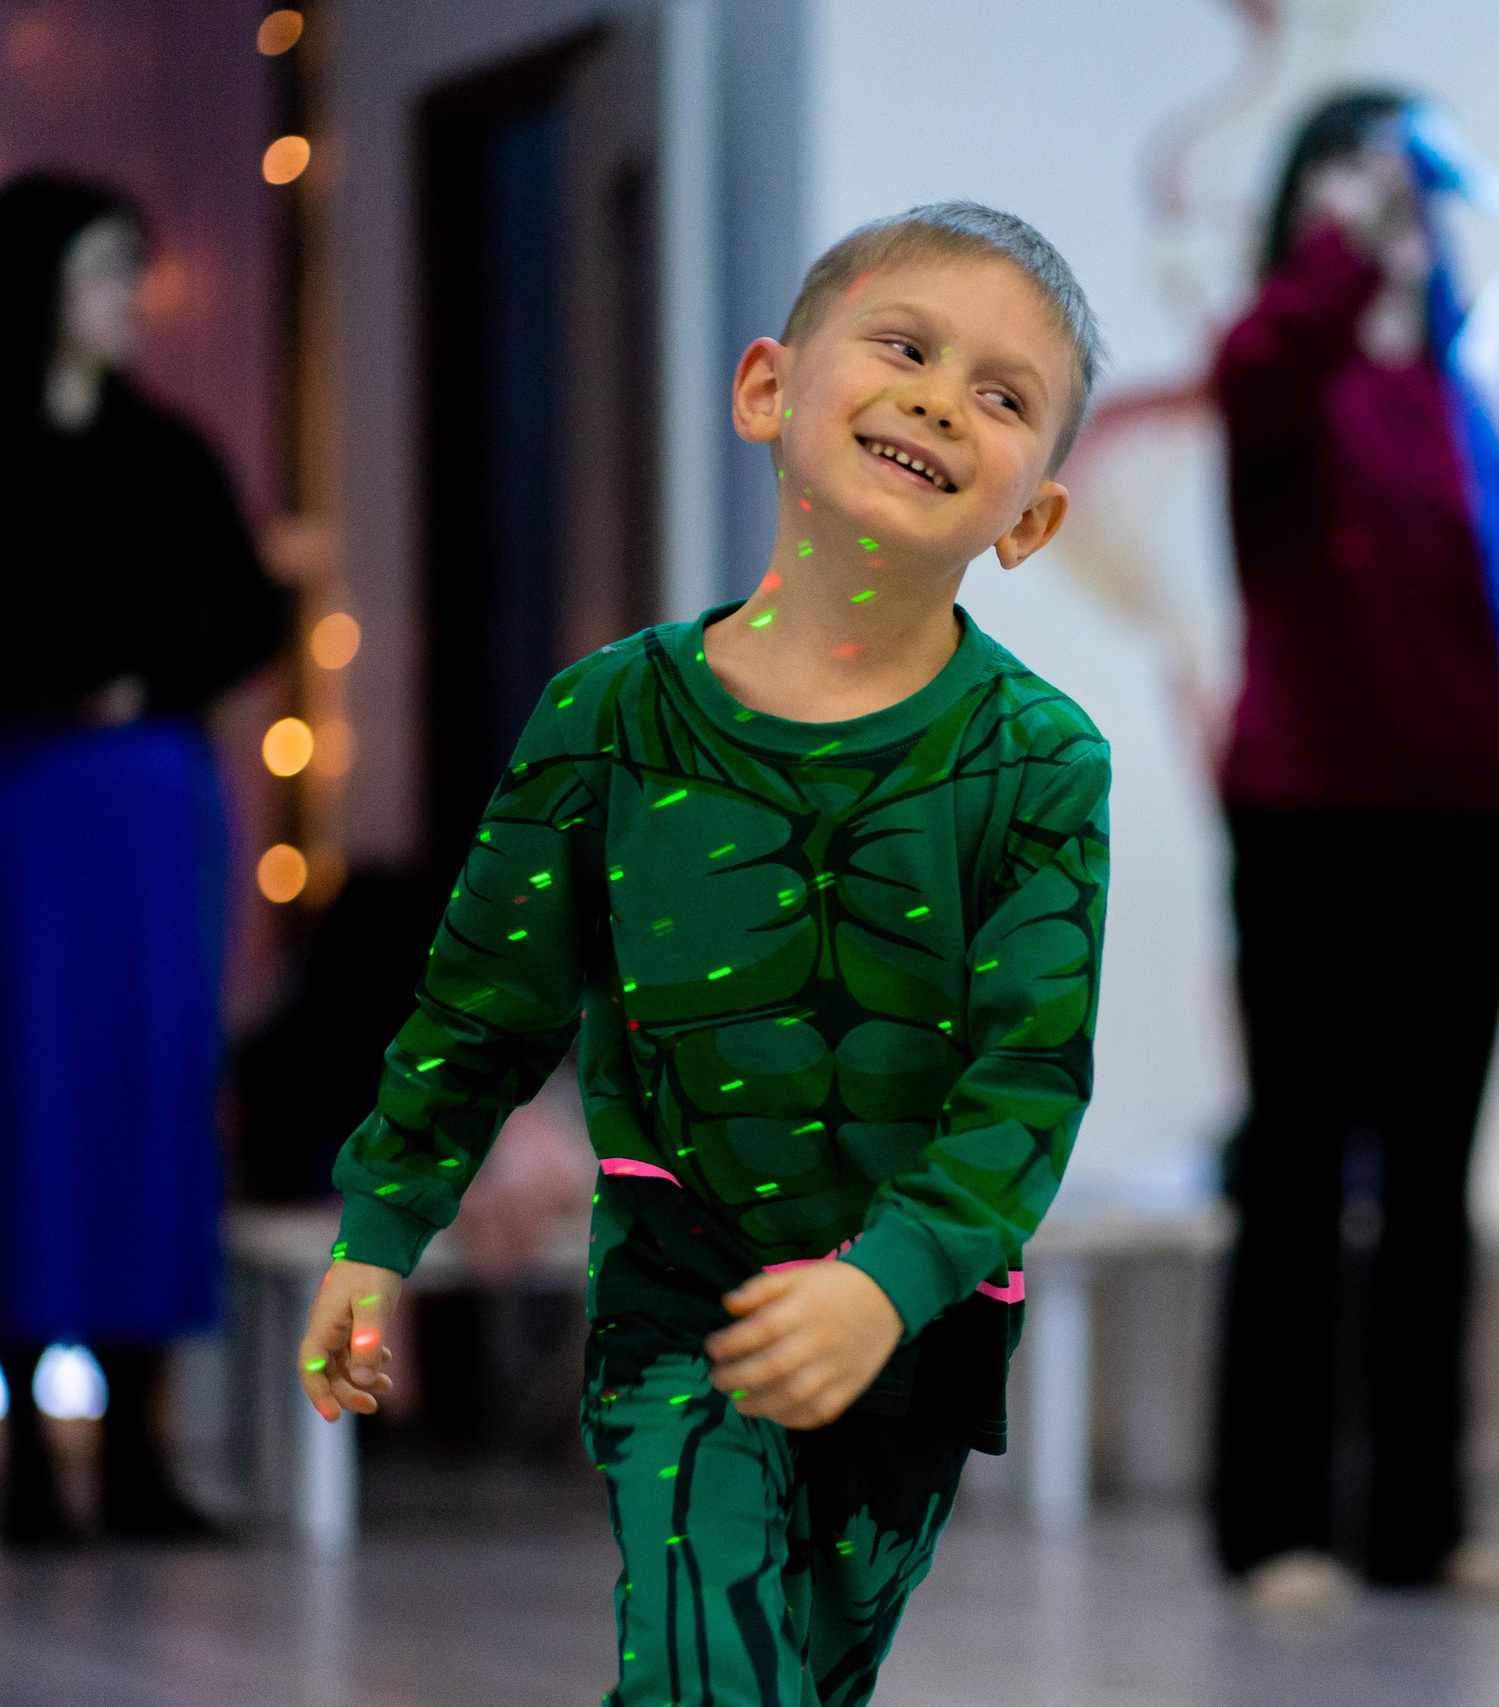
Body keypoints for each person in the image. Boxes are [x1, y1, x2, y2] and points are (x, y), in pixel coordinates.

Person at [296, 202, 1109, 1707]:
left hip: (920, 1325)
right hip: (685, 1293)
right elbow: (481, 1003)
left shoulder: (1043, 763)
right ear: (765, 389)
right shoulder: (604, 719)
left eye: (1003, 396)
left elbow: (1030, 1083)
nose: (941, 398)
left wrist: (886, 1284)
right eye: (904, 347)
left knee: (800, 1674)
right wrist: (380, 1224)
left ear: (1030, 518)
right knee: (702, 1656)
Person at [1209, 89, 1499, 1613]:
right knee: (1301, 1167)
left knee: (1436, 1179)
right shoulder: (1284, 366)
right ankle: (1273, 1524)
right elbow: (1260, 366)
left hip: (1465, 818)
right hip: (1308, 819)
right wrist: (1341, 249)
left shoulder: (1482, 377)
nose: (1389, 205)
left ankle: (1421, 1519)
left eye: (1406, 179)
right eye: (1355, 179)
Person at [0, 172, 286, 1544]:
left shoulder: (168, 449)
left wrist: (144, 685)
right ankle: (23, 1454)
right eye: (107, 268)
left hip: (141, 806)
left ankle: (136, 1451)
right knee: (23, 1098)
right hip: (18, 801)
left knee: (147, 1090)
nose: (130, 297)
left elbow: (253, 613)